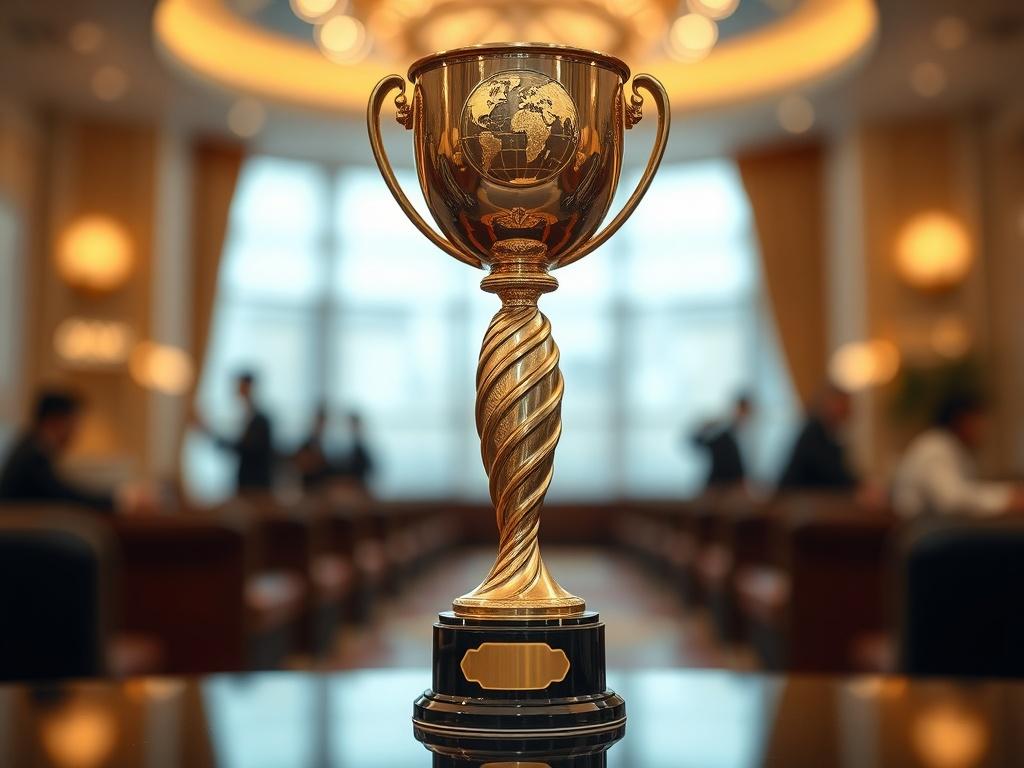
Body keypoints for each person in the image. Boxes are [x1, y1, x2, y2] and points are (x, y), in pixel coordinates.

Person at [892, 392, 1024, 517]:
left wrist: (1008, 494)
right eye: (978, 421)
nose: (984, 429)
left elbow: (965, 491)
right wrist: (1006, 499)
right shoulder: (936, 447)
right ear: (962, 420)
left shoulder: (951, 447)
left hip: (935, 529)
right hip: (928, 533)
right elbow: (951, 501)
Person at [0, 390, 114, 511]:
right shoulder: (34, 455)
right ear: (55, 421)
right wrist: (115, 500)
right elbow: (63, 495)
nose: (76, 432)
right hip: (20, 527)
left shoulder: (30, 445)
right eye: (73, 423)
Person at [194, 371, 275, 493]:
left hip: (256, 485)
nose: (237, 390)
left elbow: (247, 448)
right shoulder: (247, 417)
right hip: (246, 483)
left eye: (240, 386)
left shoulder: (260, 420)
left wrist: (210, 432)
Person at [778, 383, 857, 491]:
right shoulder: (814, 433)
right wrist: (857, 487)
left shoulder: (825, 433)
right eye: (844, 403)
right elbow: (829, 472)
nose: (848, 410)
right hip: (797, 501)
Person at [690, 394, 752, 490]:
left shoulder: (742, 436)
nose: (744, 417)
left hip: (732, 490)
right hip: (719, 491)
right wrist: (705, 427)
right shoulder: (722, 436)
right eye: (742, 411)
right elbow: (696, 442)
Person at [294, 404, 331, 491]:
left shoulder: (327, 444)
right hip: (309, 488)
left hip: (323, 488)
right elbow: (303, 465)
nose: (321, 427)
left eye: (323, 423)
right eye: (319, 422)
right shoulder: (306, 444)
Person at [335, 411, 374, 491]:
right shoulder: (340, 445)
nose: (351, 428)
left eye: (353, 424)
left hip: (356, 487)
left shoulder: (361, 448)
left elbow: (368, 467)